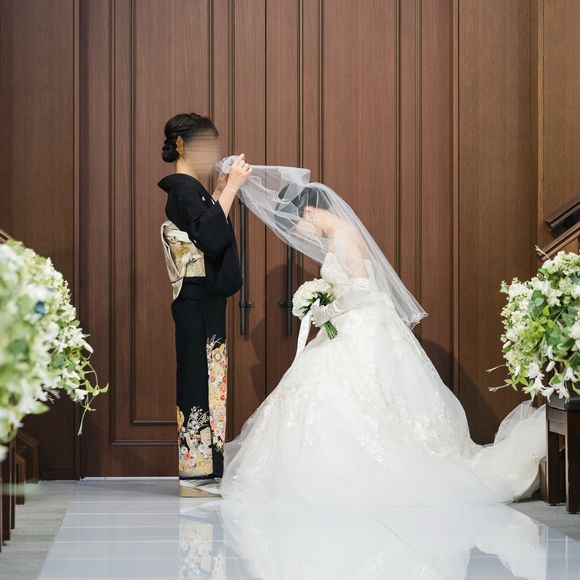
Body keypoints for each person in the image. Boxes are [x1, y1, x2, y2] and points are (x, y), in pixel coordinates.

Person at [202, 156, 547, 507]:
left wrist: (324, 309)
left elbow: (361, 288)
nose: (297, 237)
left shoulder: (342, 236)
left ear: (308, 213)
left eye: (295, 228)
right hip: (355, 324)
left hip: (361, 327)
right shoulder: (340, 234)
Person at [157, 115, 251, 497]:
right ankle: (194, 473)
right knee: (198, 377)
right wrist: (231, 189)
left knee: (211, 378)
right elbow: (208, 234)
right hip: (195, 298)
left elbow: (205, 225)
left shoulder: (192, 190)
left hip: (202, 299)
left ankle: (207, 469)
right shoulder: (182, 188)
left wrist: (220, 190)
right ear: (182, 145)